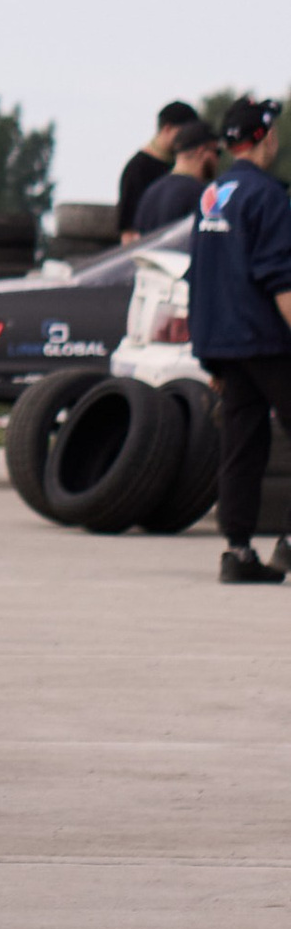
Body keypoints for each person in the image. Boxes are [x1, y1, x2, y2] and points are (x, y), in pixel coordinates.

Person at [183, 97, 291, 585]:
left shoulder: (212, 195)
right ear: (264, 138)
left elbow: (200, 275)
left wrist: (210, 356)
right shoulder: (268, 196)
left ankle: (238, 552)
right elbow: (279, 277)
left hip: (224, 344)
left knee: (242, 445)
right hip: (266, 341)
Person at [119, 102, 208, 239]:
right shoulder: (137, 169)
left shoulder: (176, 164)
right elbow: (128, 232)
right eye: (183, 132)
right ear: (167, 129)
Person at [131, 125, 222, 243]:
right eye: (217, 152)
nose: (217, 160)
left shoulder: (151, 192)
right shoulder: (201, 194)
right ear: (201, 151)